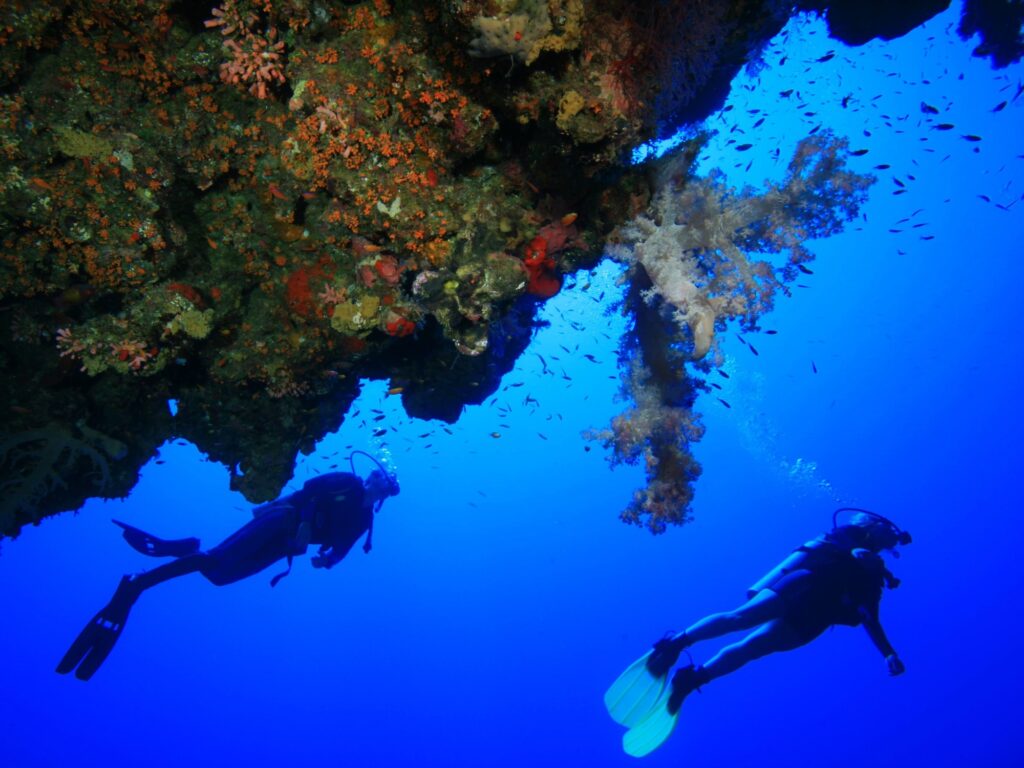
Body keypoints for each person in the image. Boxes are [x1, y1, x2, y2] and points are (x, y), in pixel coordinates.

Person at [56, 456, 399, 681]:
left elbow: (342, 550)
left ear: (387, 493)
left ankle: (187, 547)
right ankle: (138, 583)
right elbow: (308, 492)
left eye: (383, 483)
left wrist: (327, 560)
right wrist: (307, 525)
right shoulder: (346, 482)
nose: (374, 482)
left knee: (218, 576)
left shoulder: (364, 520)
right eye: (375, 476)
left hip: (284, 547)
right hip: (284, 520)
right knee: (218, 560)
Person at [605, 508, 911, 757]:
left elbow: (870, 617)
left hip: (813, 620)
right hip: (801, 588)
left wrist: (888, 653)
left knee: (751, 649)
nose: (893, 538)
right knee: (741, 618)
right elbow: (836, 543)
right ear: (874, 524)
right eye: (890, 530)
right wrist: (856, 552)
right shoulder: (850, 533)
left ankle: (692, 680)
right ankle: (674, 645)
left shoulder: (876, 574)